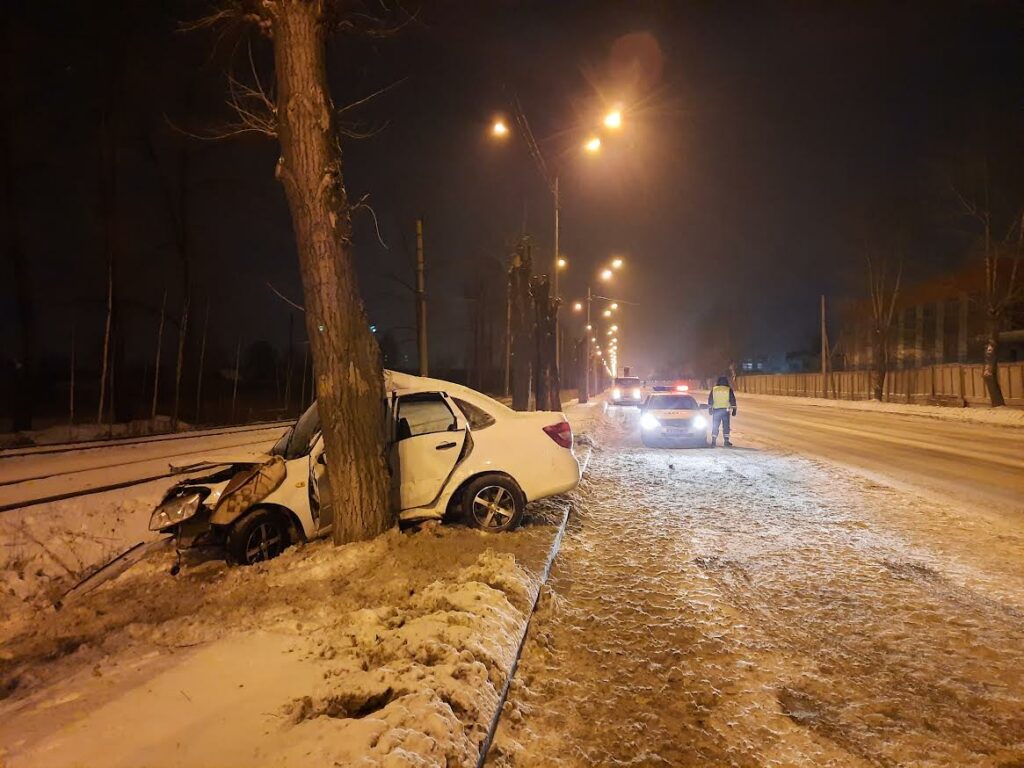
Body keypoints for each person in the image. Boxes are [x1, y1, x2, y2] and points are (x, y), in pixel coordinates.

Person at [707, 375, 737, 447]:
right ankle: (726, 441)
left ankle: (713, 441)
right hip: (725, 411)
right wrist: (734, 410)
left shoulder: (714, 389)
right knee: (726, 426)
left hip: (716, 410)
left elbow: (710, 400)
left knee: (715, 426)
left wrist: (710, 409)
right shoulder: (728, 389)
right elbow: (732, 400)